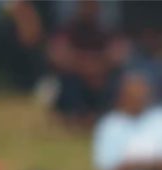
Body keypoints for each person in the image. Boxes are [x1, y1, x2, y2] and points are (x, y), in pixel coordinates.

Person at [47, 0, 127, 128]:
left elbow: (119, 54)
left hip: (101, 78)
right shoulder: (69, 28)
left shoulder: (106, 30)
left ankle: (105, 116)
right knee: (68, 80)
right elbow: (57, 55)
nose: (89, 9)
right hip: (76, 77)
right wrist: (85, 67)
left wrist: (97, 67)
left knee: (116, 80)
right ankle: (76, 116)